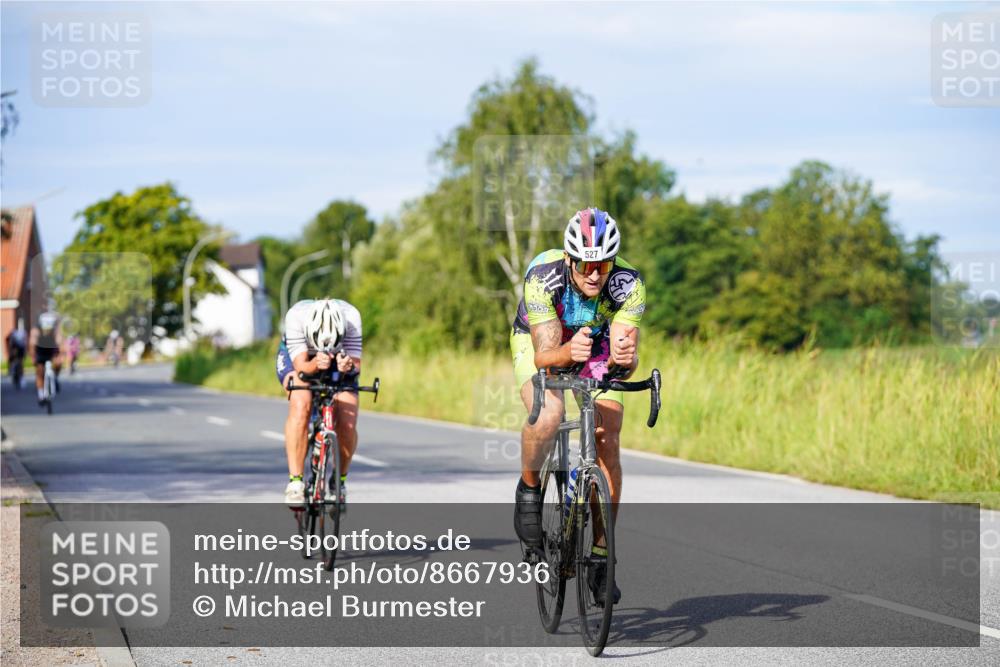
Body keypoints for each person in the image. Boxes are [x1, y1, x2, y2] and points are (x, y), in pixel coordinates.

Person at [510, 207, 645, 607]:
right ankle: (529, 491)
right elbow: (544, 357)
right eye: (586, 264)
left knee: (608, 433)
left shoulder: (628, 284)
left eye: (602, 264)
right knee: (550, 414)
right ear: (569, 259)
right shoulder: (543, 276)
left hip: (594, 343)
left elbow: (624, 358)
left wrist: (626, 359)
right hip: (541, 341)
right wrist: (568, 352)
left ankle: (602, 555)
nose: (594, 274)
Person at [276, 298, 363, 507]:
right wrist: (315, 363)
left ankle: (338, 482)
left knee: (348, 422)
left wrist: (347, 365)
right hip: (301, 358)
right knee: (301, 403)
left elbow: (356, 366)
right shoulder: (296, 317)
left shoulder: (352, 317)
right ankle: (295, 482)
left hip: (338, 358)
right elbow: (301, 368)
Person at [28, 311, 63, 404]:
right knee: (39, 371)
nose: (47, 331)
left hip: (51, 350)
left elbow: (60, 343)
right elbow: (32, 345)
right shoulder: (35, 330)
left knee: (58, 364)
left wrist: (60, 356)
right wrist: (33, 357)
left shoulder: (55, 330)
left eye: (49, 329)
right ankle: (41, 395)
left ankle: (55, 377)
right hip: (40, 351)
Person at [6, 320, 27, 386]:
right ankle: (11, 372)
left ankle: (21, 377)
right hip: (14, 348)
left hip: (21, 349)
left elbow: (25, 343)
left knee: (20, 363)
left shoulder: (23, 332)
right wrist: (9, 350)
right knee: (11, 361)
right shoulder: (13, 332)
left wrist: (25, 351)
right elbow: (7, 339)